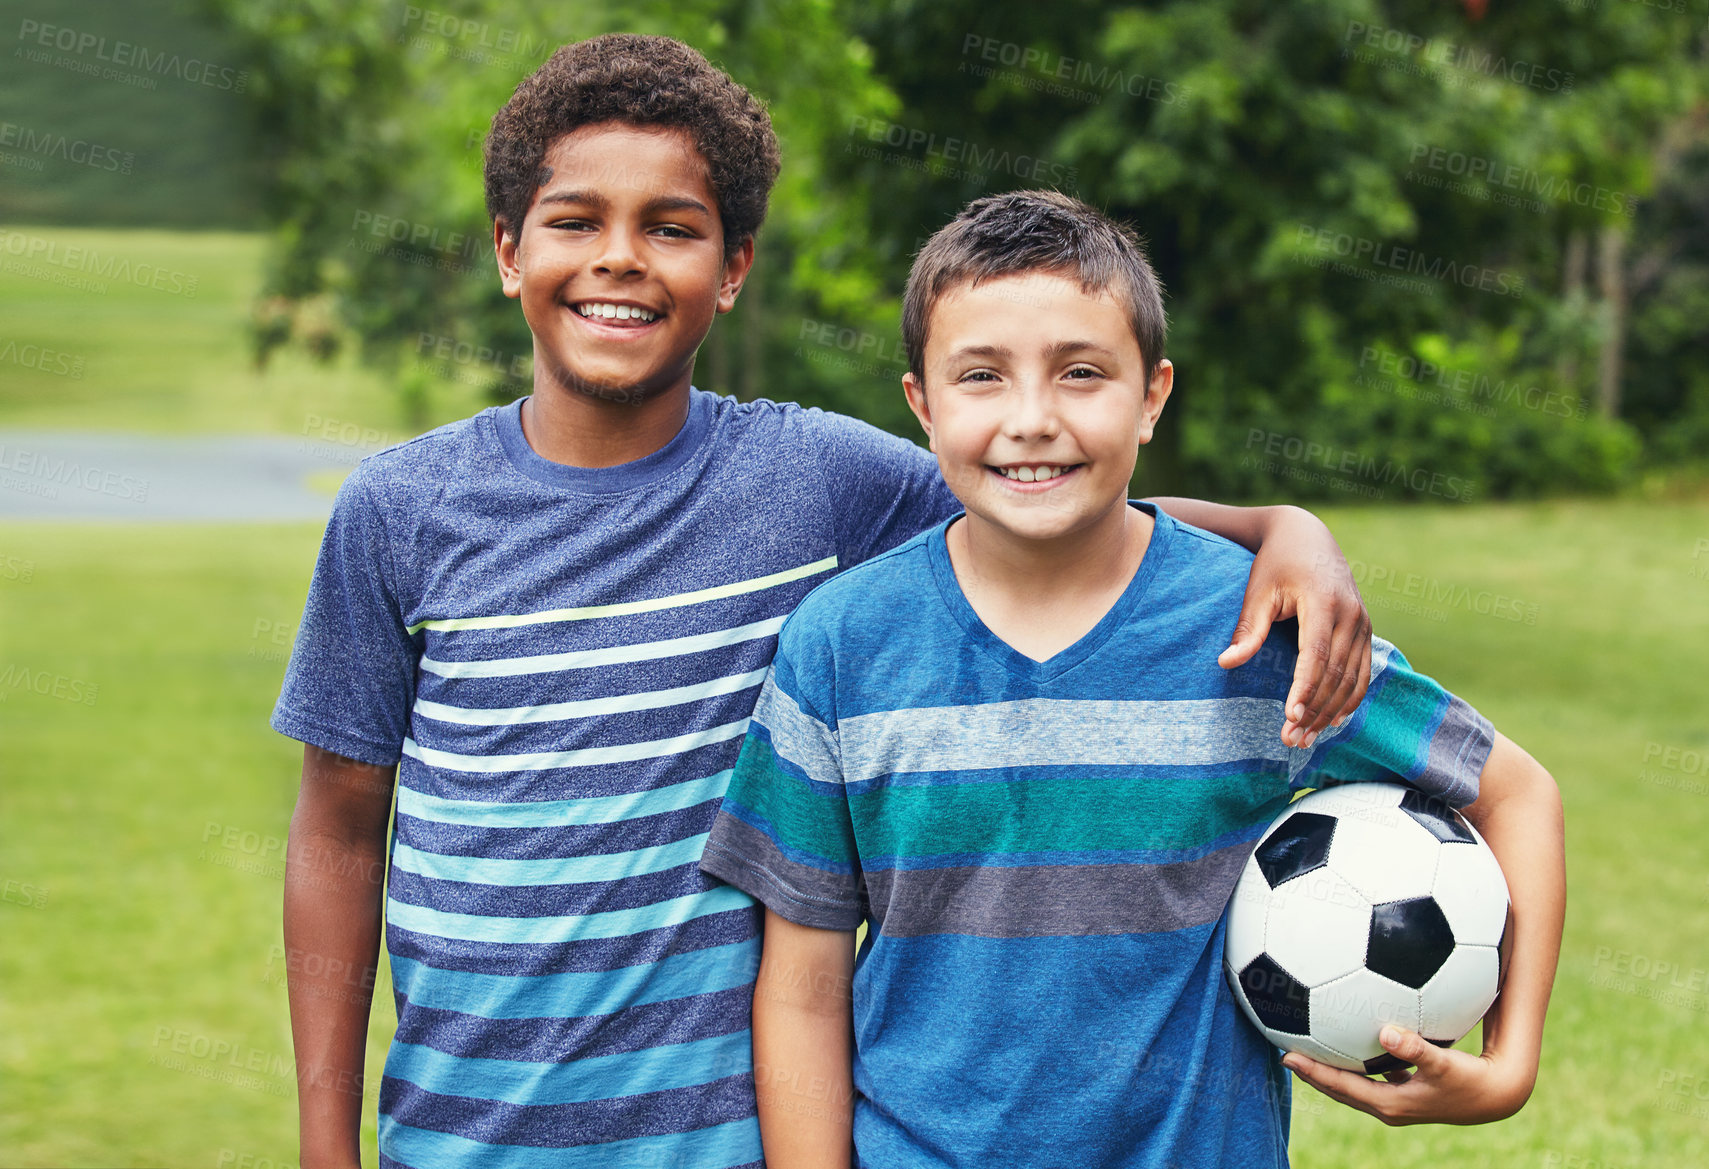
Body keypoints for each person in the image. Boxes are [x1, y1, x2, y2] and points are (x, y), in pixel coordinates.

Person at [271, 37, 1377, 1169]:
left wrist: (1275, 528)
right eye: (573, 222)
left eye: (670, 227)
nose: (620, 259)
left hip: (727, 1142)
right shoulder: (399, 510)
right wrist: (324, 1143)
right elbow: (339, 830)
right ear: (508, 251)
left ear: (734, 264)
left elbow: (1038, 498)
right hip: (461, 1138)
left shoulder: (817, 481)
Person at [699, 190, 1565, 1168]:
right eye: (980, 375)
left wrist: (1511, 1060)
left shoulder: (1258, 630)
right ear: (920, 402)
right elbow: (802, 983)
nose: (1032, 419)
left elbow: (1514, 789)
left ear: (1150, 395)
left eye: (1080, 373)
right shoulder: (842, 644)